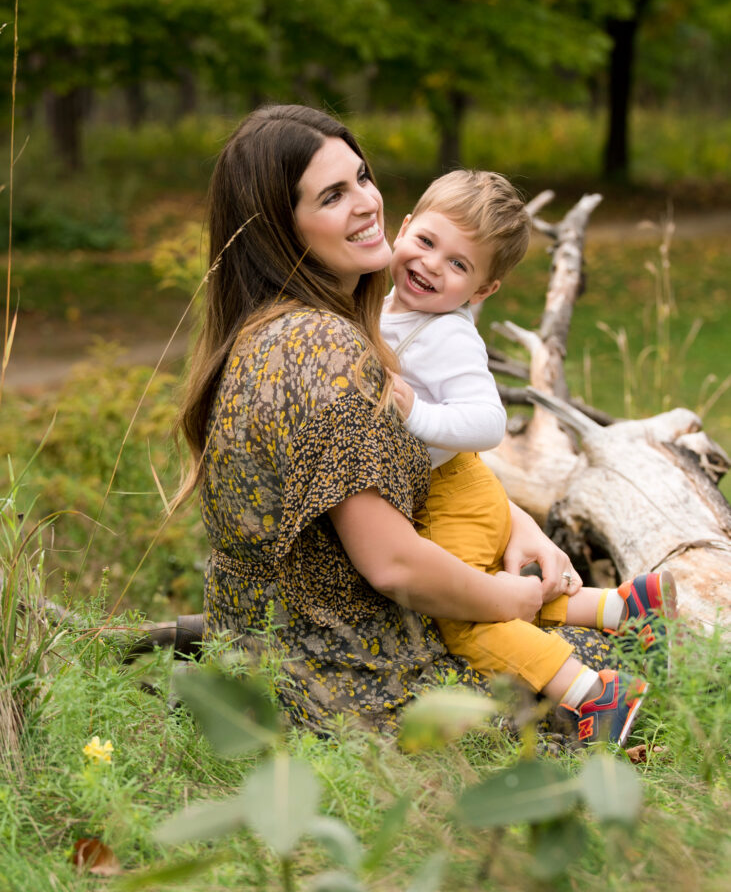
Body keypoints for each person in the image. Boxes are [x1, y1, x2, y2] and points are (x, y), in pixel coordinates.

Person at [174, 104, 625, 742]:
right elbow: (394, 566)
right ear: (280, 227)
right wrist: (506, 599)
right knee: (614, 662)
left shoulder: (274, 330)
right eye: (333, 195)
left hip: (269, 661)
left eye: (362, 177)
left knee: (566, 634)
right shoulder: (327, 354)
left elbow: (393, 475)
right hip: (343, 686)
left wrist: (515, 523)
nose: (366, 203)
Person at [380, 169, 678, 744]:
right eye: (426, 242)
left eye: (459, 265)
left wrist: (415, 411)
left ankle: (595, 695)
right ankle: (621, 609)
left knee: (468, 617)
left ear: (483, 291)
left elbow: (489, 422)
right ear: (406, 227)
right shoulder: (386, 302)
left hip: (452, 496)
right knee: (495, 585)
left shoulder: (448, 334)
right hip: (463, 491)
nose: (432, 265)